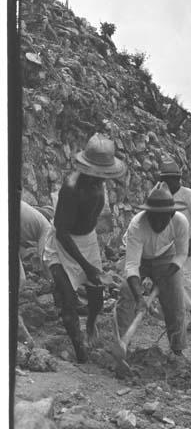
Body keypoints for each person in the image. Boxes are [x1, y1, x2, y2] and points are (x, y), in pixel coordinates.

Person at [43, 133, 127, 362]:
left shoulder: (100, 184)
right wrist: (86, 267)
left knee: (97, 298)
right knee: (68, 300)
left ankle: (90, 324)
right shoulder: (71, 189)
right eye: (95, 173)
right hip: (63, 242)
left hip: (87, 240)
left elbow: (95, 218)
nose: (100, 177)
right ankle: (79, 350)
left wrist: (92, 266)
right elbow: (61, 232)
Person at [115, 182, 189, 363]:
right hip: (140, 259)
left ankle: (177, 349)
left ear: (171, 215)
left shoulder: (180, 222)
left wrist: (165, 277)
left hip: (167, 256)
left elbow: (181, 255)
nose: (156, 223)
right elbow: (131, 265)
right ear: (147, 213)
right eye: (152, 217)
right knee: (126, 292)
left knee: (175, 298)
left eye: (162, 219)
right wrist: (140, 298)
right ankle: (123, 345)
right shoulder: (137, 225)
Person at [159, 160, 191, 332]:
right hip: (174, 244)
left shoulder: (188, 193)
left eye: (173, 180)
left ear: (178, 179)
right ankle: (186, 314)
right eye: (166, 180)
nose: (169, 183)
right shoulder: (162, 194)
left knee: (183, 275)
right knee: (175, 278)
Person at [18, 201, 52, 347]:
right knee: (20, 280)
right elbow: (44, 258)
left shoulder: (30, 217)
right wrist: (51, 281)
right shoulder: (47, 227)